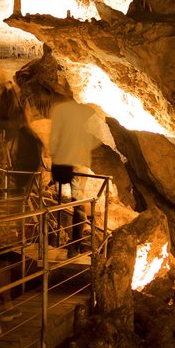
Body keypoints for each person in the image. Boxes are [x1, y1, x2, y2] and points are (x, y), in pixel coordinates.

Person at [48, 98, 100, 255]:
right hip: (78, 163)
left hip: (69, 163)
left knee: (76, 203)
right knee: (78, 203)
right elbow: (96, 138)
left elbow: (54, 140)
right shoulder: (85, 115)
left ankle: (74, 245)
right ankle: (74, 246)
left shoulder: (62, 113)